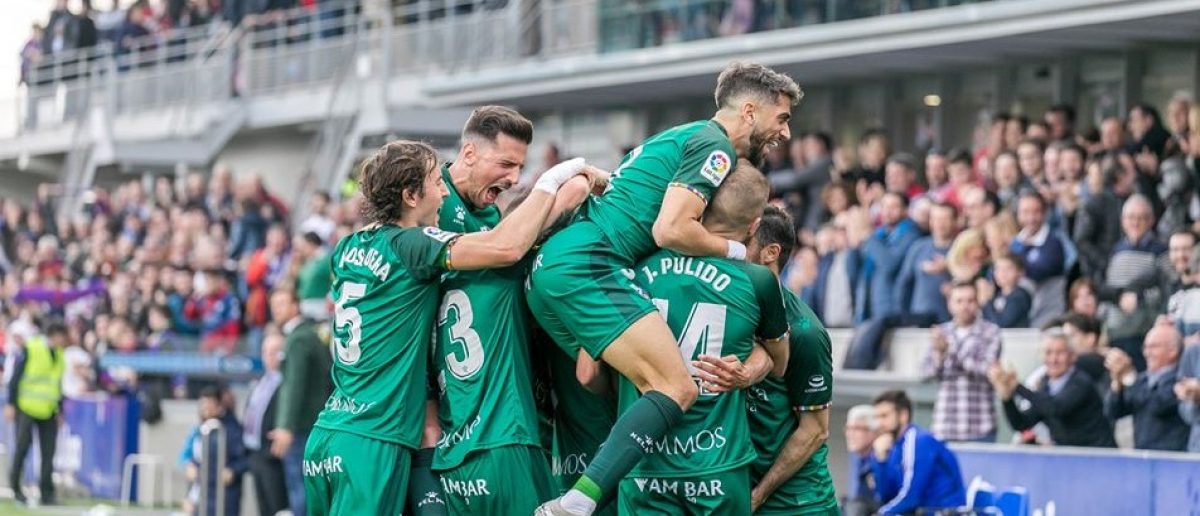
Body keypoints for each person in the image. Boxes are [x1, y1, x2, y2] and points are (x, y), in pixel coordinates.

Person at [527, 62, 801, 516]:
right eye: (783, 118)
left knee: (619, 384)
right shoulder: (715, 147)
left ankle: (586, 494)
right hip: (588, 264)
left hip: (557, 264)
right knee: (677, 386)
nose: (786, 133)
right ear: (749, 112)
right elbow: (671, 228)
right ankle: (577, 502)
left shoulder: (682, 137)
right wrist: (736, 252)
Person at [302, 140, 594, 515]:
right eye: (435, 183)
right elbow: (505, 247)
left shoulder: (346, 248)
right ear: (410, 195)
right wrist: (554, 181)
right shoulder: (413, 244)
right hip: (372, 441)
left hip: (327, 436)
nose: (444, 191)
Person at [431, 106, 586, 514]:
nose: (514, 178)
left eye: (521, 167)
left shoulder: (485, 212)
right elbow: (509, 247)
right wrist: (563, 186)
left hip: (465, 421)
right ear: (468, 154)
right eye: (505, 164)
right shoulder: (431, 204)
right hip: (446, 417)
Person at [619, 164, 789, 515]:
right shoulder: (758, 280)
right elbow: (779, 362)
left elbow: (593, 374)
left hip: (641, 461)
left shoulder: (631, 268)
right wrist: (746, 372)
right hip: (718, 464)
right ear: (754, 226)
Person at [731, 206, 838, 515]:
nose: (729, 250)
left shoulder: (806, 332)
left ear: (770, 253)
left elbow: (815, 430)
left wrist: (758, 495)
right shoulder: (733, 311)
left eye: (741, 242)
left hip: (797, 504)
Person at [989, 328, 1116, 448]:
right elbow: (1022, 423)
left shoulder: (1080, 382)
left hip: (1098, 456)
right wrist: (1007, 398)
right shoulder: (1045, 385)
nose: (1053, 359)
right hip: (1069, 459)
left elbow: (1055, 407)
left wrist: (1017, 386)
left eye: (1059, 353)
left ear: (1072, 356)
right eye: (1048, 352)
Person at [270, 289, 333, 516]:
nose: (276, 309)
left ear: (295, 306)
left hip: (302, 428)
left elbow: (293, 385)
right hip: (314, 425)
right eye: (273, 304)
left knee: (300, 491)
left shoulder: (298, 338)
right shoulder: (309, 334)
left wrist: (286, 426)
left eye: (281, 303)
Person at [921, 281, 1002, 442]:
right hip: (944, 425)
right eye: (959, 301)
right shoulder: (941, 332)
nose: (965, 306)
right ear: (950, 304)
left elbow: (986, 370)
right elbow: (925, 373)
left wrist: (950, 350)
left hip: (979, 426)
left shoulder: (991, 332)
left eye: (970, 300)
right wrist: (940, 354)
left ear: (977, 302)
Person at [870, 389, 966, 516]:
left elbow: (912, 497)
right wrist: (881, 460)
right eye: (877, 417)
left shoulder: (918, 440)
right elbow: (886, 497)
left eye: (884, 416)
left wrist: (881, 514)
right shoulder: (895, 448)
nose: (880, 423)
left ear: (903, 415)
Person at [5, 321, 68, 506]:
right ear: (55, 334)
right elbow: (15, 377)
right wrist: (11, 403)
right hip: (26, 407)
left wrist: (60, 410)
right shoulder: (31, 348)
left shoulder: (59, 355)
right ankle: (16, 488)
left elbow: (57, 385)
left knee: (48, 453)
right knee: (22, 448)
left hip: (48, 410)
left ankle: (47, 493)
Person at [1103, 323, 1190, 451]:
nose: (1146, 353)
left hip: (1171, 459)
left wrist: (1128, 376)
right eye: (1145, 347)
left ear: (1172, 351)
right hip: (1143, 457)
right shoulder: (1142, 379)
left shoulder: (1182, 378)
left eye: (1153, 347)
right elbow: (1113, 411)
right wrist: (1118, 381)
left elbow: (1157, 404)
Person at [243, 330, 288, 516]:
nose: (269, 356)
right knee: (263, 508)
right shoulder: (261, 382)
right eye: (265, 351)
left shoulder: (286, 382)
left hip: (273, 455)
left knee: (277, 507)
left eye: (274, 350)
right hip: (255, 453)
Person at [186, 386, 248, 516]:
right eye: (203, 404)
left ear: (219, 405)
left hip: (224, 493)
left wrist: (233, 470)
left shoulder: (230, 428)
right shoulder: (202, 428)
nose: (205, 408)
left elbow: (244, 458)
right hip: (202, 491)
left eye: (209, 403)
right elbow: (198, 457)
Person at [842, 405, 880, 516]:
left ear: (874, 431)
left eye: (856, 428)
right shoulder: (856, 454)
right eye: (848, 428)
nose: (849, 434)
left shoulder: (884, 457)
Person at [980, 254, 1033, 328]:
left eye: (1008, 269)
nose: (1002, 273)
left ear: (1020, 272)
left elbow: (1001, 324)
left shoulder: (1019, 296)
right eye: (998, 269)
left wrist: (986, 302)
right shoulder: (997, 294)